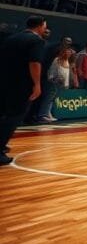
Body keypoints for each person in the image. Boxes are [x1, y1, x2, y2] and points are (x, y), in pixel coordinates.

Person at [0, 16, 47, 164]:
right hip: (21, 85)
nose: (45, 28)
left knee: (3, 115)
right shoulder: (37, 40)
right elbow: (34, 63)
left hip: (4, 82)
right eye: (45, 25)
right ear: (40, 26)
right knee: (13, 117)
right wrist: (37, 84)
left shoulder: (11, 38)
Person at [38, 46, 76, 123]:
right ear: (63, 52)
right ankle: (42, 115)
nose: (69, 53)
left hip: (62, 84)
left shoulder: (68, 61)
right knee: (48, 99)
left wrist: (66, 84)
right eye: (67, 51)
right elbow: (51, 71)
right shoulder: (57, 60)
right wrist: (53, 79)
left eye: (70, 52)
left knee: (53, 99)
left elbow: (66, 73)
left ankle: (48, 114)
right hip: (54, 83)